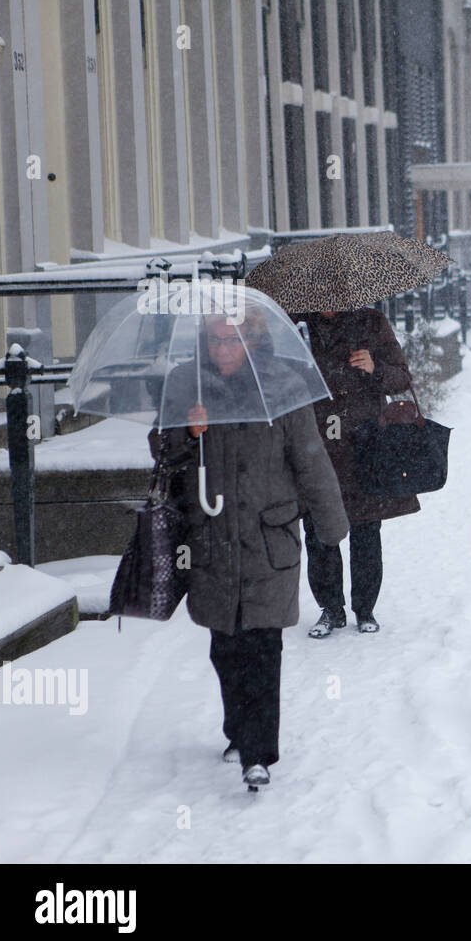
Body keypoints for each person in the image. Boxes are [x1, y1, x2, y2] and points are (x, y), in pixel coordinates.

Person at [152, 314, 349, 789]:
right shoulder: (186, 384)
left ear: (252, 340)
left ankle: (258, 751)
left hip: (268, 534)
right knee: (225, 644)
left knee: (263, 643)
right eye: (215, 339)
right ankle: (237, 731)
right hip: (211, 534)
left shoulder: (281, 386)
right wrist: (187, 433)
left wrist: (331, 522)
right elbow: (161, 450)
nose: (222, 348)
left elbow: (309, 456)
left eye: (232, 340)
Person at [298, 307, 420, 637]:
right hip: (314, 440)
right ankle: (330, 608)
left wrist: (375, 367)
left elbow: (402, 378)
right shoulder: (298, 323)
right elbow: (277, 377)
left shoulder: (370, 321)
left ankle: (365, 608)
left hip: (364, 442)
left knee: (366, 529)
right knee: (318, 527)